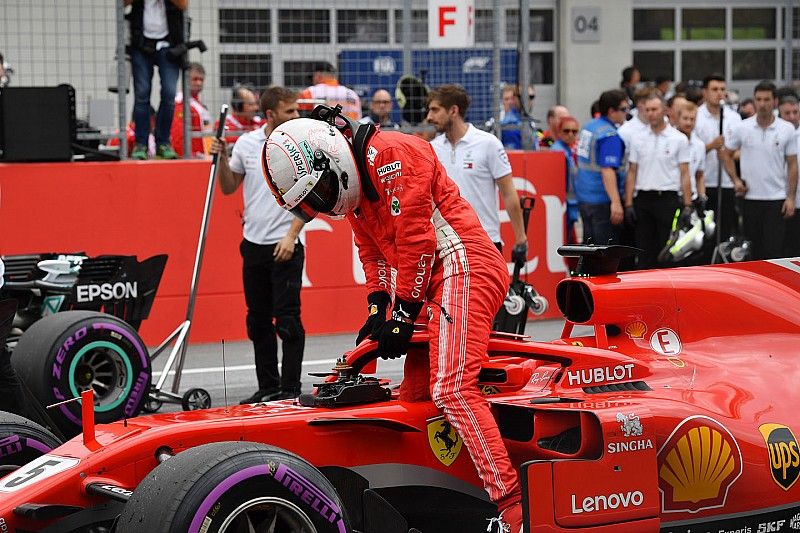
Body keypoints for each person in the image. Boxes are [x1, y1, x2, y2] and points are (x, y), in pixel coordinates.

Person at [263, 105, 525, 532]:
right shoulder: (355, 190)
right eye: (315, 200)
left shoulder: (395, 153)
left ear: (332, 155)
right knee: (415, 395)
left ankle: (513, 507)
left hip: (465, 263)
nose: (325, 201)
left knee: (453, 388)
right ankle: (445, 499)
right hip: (431, 279)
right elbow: (372, 253)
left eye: (322, 190)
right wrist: (377, 307)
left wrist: (402, 312)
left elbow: (417, 240)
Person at [209, 86, 306, 403]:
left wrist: (292, 234)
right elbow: (227, 187)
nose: (296, 116)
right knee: (257, 320)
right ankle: (268, 387)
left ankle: (290, 390)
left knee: (288, 320)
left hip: (285, 243)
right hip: (253, 243)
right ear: (269, 115)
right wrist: (222, 157)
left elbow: (314, 194)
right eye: (289, 111)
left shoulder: (302, 143)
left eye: (296, 111)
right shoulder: (247, 144)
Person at [426, 84, 529, 261]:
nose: (429, 117)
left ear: (453, 110)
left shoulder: (488, 143)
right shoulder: (432, 148)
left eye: (435, 110)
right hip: (446, 244)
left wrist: (521, 238)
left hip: (485, 242)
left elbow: (508, 192)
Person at [723, 81, 797, 260]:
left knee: (774, 250)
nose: (762, 104)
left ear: (775, 101)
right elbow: (726, 154)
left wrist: (791, 198)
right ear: (754, 101)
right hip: (749, 199)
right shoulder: (743, 127)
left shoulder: (787, 129)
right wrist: (736, 181)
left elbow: (793, 165)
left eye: (766, 99)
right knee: (751, 250)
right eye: (758, 99)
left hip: (776, 199)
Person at [624, 94, 693, 269]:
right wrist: (628, 203)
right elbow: (632, 171)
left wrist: (688, 204)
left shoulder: (678, 139)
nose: (651, 114)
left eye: (654, 109)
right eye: (647, 110)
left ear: (664, 110)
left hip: (667, 198)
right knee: (644, 248)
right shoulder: (637, 138)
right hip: (644, 199)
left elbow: (685, 173)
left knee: (667, 249)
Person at [124, 0, 187, 160]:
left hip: (169, 45)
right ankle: (141, 143)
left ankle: (163, 142)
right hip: (141, 44)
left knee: (169, 93)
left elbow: (183, 4)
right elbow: (123, 4)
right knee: (142, 94)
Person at [575, 89, 629, 246]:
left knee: (589, 249)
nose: (626, 113)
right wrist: (616, 203)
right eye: (623, 109)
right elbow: (607, 170)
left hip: (585, 197)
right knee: (605, 251)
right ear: (612, 111)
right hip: (602, 200)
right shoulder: (609, 136)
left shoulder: (589, 127)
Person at [694, 74, 742, 245]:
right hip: (704, 183)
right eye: (715, 89)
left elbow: (739, 152)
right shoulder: (696, 116)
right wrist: (710, 146)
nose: (719, 93)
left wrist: (729, 153)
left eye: (722, 89)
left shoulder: (734, 118)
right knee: (705, 231)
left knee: (725, 228)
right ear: (705, 92)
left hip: (726, 184)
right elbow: (691, 151)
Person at [171, 62, 212, 158]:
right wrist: (187, 157)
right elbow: (178, 136)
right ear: (186, 80)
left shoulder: (198, 104)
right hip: (191, 158)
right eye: (195, 79)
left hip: (203, 156)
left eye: (201, 80)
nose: (199, 83)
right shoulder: (180, 103)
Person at [550, 116, 581, 244]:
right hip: (563, 203)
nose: (570, 134)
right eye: (566, 131)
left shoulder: (568, 150)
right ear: (559, 132)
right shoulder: (558, 151)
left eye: (574, 132)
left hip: (570, 202)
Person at [778, 95, 800, 257]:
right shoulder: (778, 132)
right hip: (780, 198)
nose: (792, 117)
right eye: (787, 113)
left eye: (795, 112)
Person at [497, 84, 537, 150]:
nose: (528, 101)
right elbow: (513, 156)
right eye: (523, 97)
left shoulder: (525, 119)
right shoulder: (511, 124)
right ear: (516, 99)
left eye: (531, 97)